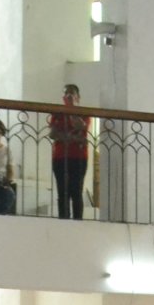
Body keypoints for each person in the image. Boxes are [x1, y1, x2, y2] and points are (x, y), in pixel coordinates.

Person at [50, 83, 90, 220]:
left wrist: (71, 109)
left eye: (71, 93)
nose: (68, 95)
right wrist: (72, 137)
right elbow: (53, 133)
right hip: (60, 157)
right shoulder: (58, 113)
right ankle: (64, 221)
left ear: (78, 97)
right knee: (63, 192)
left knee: (76, 191)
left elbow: (81, 126)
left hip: (78, 157)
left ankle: (78, 221)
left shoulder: (84, 112)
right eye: (66, 93)